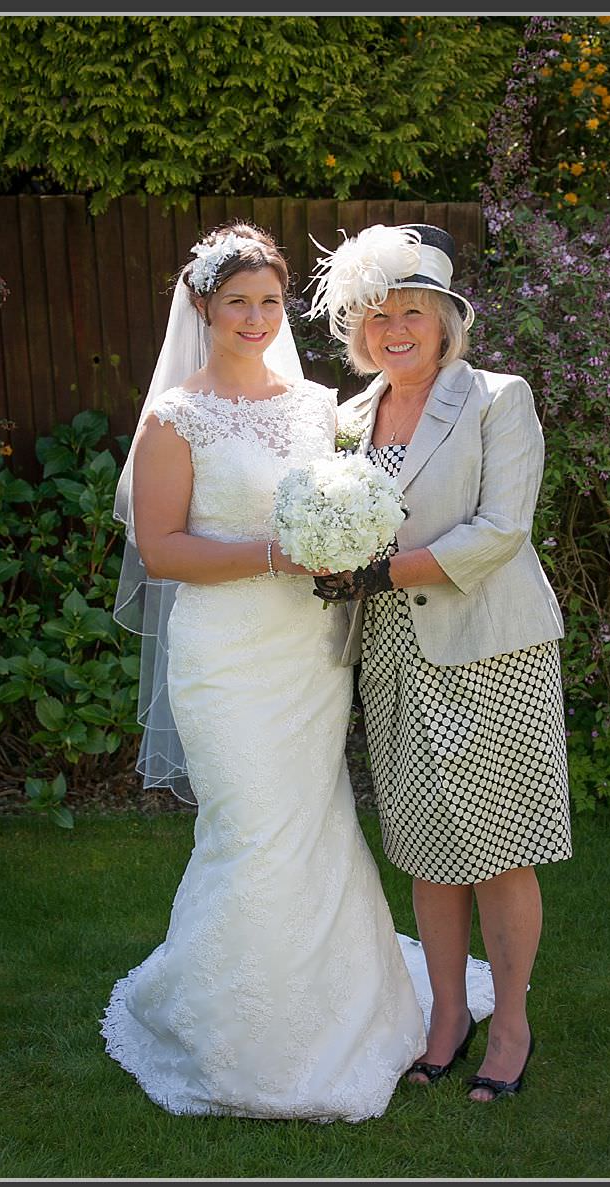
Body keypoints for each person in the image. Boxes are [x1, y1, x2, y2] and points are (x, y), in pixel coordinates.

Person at [100, 223, 492, 1123]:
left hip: (311, 656)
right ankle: (238, 1035)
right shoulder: (175, 417)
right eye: (236, 300)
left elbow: (364, 495)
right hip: (226, 653)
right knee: (252, 831)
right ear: (202, 307)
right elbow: (161, 550)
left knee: (314, 821)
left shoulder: (321, 407)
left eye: (270, 299)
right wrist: (279, 552)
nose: (254, 315)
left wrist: (349, 535)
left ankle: (345, 1007)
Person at [306, 223, 571, 1102]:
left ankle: (515, 1023)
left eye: (412, 312)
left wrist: (377, 571)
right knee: (424, 849)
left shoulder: (499, 398)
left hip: (489, 648)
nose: (395, 330)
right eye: (376, 317)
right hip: (390, 653)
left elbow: (502, 530)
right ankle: (448, 1015)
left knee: (499, 848)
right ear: (357, 332)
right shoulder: (346, 420)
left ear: (447, 319)